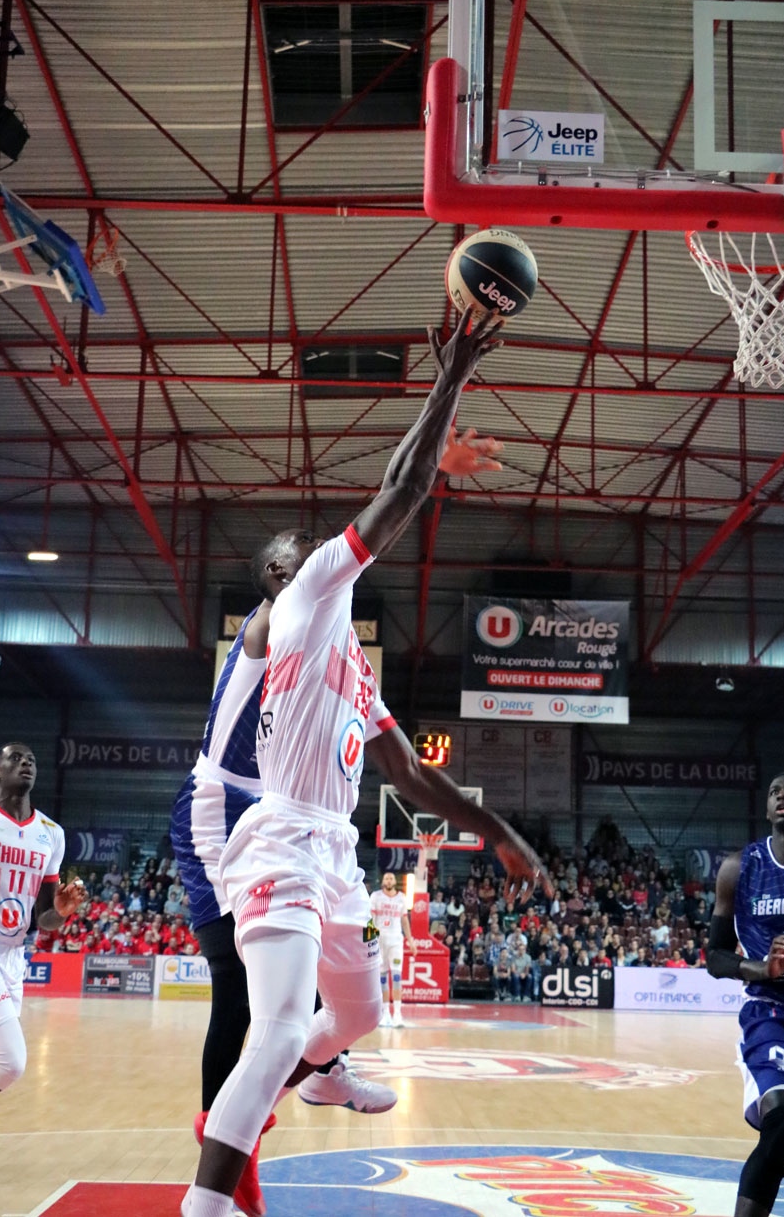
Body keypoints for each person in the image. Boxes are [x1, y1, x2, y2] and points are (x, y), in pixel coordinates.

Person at [186, 307, 545, 1217]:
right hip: (275, 838)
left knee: (355, 1018)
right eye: (294, 548)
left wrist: (498, 830)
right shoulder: (304, 602)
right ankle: (205, 1202)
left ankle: (312, 1077)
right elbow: (399, 490)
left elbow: (411, 777)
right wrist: (452, 372)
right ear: (279, 576)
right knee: (269, 1031)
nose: (314, 546)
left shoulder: (348, 664)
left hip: (335, 853)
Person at [170, 601, 397, 1126]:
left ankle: (325, 1068)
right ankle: (219, 1136)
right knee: (237, 989)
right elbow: (297, 592)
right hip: (222, 804)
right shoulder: (270, 624)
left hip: (290, 816)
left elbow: (393, 753)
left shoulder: (336, 666)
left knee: (321, 952)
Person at [707, 771, 784, 1217]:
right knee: (783, 1129)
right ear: (766, 809)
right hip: (771, 1016)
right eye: (776, 791)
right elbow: (715, 956)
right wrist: (761, 968)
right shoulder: (740, 868)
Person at [0, 743, 83, 1131]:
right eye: (14, 758)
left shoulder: (51, 834)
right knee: (8, 1063)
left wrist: (61, 913)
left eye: (31, 758)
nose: (26, 762)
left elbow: (45, 918)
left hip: (13, 957)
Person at [368, 871, 415, 1028]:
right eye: (386, 878)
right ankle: (385, 1013)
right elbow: (370, 919)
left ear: (395, 881)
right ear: (382, 881)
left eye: (391, 878)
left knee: (396, 977)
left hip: (395, 940)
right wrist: (367, 941)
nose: (388, 880)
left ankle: (398, 1014)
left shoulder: (402, 898)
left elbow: (405, 921)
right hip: (380, 940)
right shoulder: (375, 896)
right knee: (382, 978)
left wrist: (411, 940)